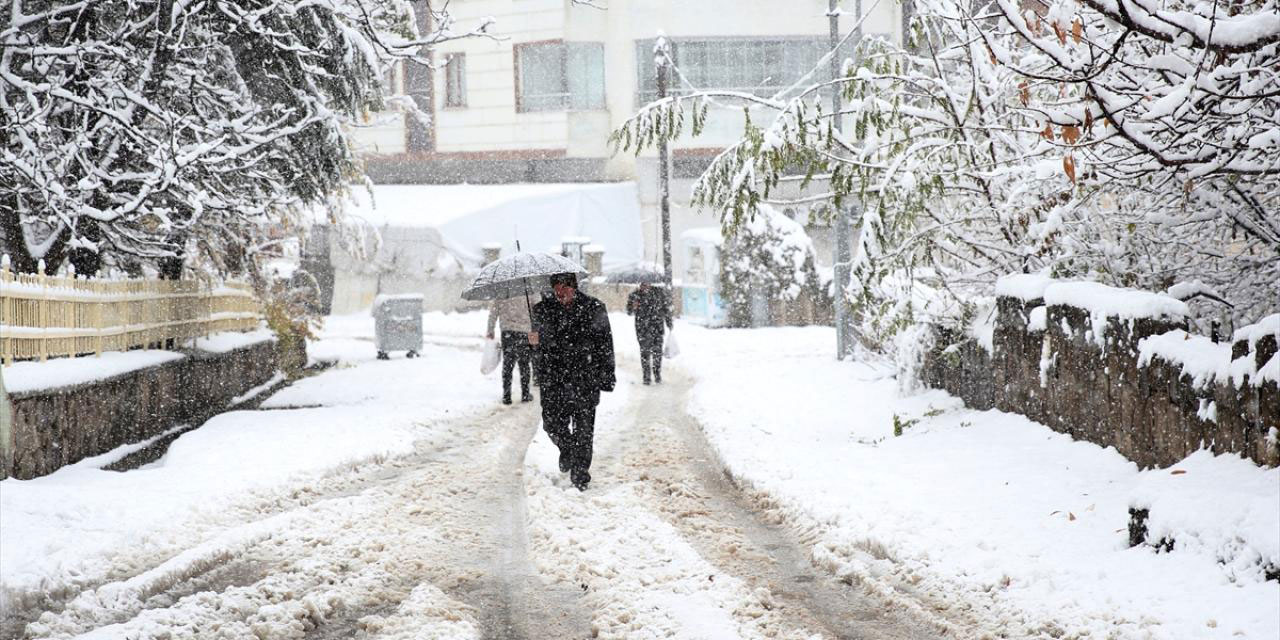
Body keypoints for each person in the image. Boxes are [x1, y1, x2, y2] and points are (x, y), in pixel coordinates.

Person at [529, 272, 615, 491]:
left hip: (585, 377)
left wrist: (606, 375)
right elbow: (538, 352)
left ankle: (580, 475)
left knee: (584, 430)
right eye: (557, 288)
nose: (560, 293)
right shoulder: (542, 310)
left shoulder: (593, 308)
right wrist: (534, 343)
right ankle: (567, 449)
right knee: (551, 423)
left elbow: (605, 343)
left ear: (574, 287)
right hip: (554, 379)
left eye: (565, 288)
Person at [486, 295, 533, 404]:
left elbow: (493, 312)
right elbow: (535, 309)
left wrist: (490, 329)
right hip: (524, 331)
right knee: (524, 364)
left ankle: (506, 395)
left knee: (508, 363)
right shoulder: (527, 290)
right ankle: (525, 394)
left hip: (508, 331)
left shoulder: (501, 291)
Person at [626, 282, 673, 385]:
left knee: (657, 352)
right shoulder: (634, 295)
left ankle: (657, 375)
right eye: (643, 284)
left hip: (657, 327)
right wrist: (633, 306)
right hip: (642, 329)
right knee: (645, 353)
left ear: (650, 283)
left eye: (646, 284)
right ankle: (646, 377)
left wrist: (669, 322)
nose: (645, 286)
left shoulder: (659, 293)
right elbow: (629, 312)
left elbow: (665, 309)